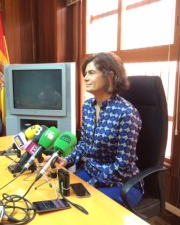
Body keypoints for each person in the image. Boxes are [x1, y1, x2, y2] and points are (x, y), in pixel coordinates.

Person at [53, 52, 143, 207]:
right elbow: (84, 144)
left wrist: (90, 185)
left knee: (85, 206)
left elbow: (123, 164)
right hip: (90, 172)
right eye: (85, 73)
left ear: (110, 76)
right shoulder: (88, 106)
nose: (85, 77)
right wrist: (66, 160)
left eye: (91, 73)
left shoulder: (127, 113)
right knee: (60, 193)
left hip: (121, 182)